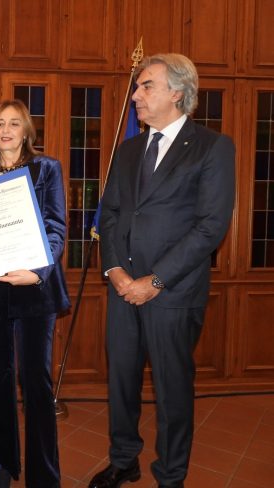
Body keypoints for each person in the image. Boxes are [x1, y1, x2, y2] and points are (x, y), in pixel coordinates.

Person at [91, 53, 235, 488]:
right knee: (121, 382)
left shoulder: (212, 147)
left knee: (172, 391)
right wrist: (115, 271)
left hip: (172, 294)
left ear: (177, 91)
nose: (136, 94)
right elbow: (110, 215)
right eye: (138, 86)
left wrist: (154, 281)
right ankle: (124, 460)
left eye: (146, 85)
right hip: (123, 291)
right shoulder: (129, 149)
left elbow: (210, 226)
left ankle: (170, 476)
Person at [0, 99, 71, 488]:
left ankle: (44, 473)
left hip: (34, 290)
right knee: (0, 379)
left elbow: (56, 227)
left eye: (14, 123)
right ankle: (3, 463)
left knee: (35, 380)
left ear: (26, 131)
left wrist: (37, 272)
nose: (5, 130)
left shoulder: (47, 168)